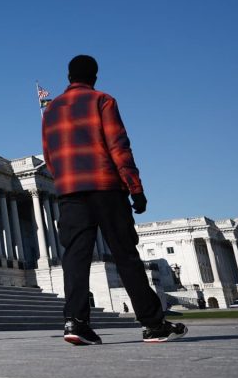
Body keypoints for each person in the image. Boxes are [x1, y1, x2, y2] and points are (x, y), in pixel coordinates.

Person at [42, 54, 187, 345]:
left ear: (69, 76)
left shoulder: (52, 109)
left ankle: (76, 321)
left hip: (70, 190)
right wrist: (135, 187)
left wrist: (64, 182)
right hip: (105, 186)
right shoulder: (102, 100)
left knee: (75, 258)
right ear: (94, 77)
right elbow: (118, 145)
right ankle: (152, 324)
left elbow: (49, 154)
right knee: (125, 255)